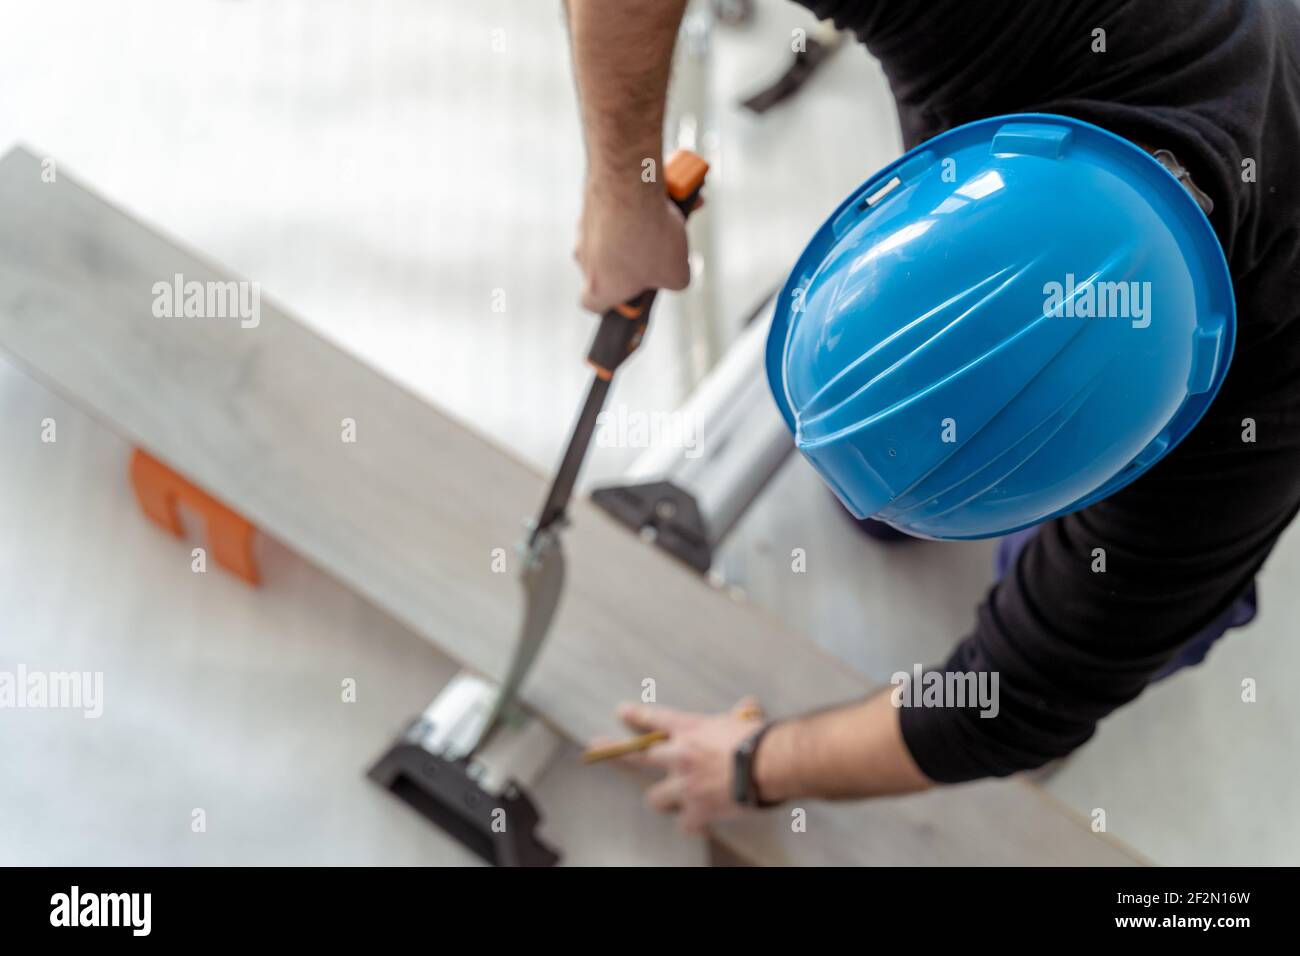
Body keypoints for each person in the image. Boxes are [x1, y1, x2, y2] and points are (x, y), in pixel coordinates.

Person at [568, 0, 1300, 835]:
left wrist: (754, 765)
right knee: (880, 500)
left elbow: (1008, 707)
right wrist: (620, 195)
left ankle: (1085, 572)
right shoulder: (1003, 23)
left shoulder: (1243, 445)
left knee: (1136, 619)